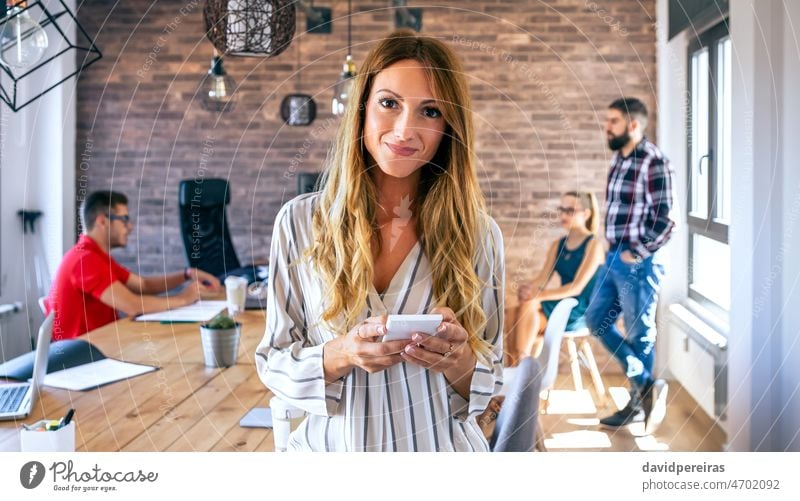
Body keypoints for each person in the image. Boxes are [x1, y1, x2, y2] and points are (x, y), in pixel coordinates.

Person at [255, 30, 505, 452]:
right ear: (362, 111)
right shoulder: (299, 223)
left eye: (430, 111)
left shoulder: (478, 234)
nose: (405, 129)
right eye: (389, 103)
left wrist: (458, 360)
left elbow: (492, 379)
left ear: (449, 126)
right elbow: (273, 362)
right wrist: (342, 353)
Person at [585, 97, 675, 434]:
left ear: (633, 125)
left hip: (638, 261)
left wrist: (635, 252)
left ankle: (637, 404)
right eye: (607, 120)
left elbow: (668, 220)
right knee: (595, 319)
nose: (606, 127)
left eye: (613, 121)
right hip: (614, 257)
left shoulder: (654, 162)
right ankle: (646, 384)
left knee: (640, 333)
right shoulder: (619, 160)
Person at [45, 191, 220, 340]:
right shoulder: (84, 260)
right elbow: (132, 306)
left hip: (99, 347)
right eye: (124, 219)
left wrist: (187, 274)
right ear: (102, 221)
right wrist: (183, 299)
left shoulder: (97, 257)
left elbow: (143, 286)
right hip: (79, 359)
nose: (129, 226)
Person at [505, 191, 604, 366]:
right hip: (559, 302)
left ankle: (520, 369)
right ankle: (515, 367)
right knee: (514, 308)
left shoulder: (593, 245)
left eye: (570, 210)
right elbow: (542, 279)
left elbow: (577, 288)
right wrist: (528, 289)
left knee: (529, 305)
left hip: (578, 308)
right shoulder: (557, 244)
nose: (563, 215)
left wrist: (538, 295)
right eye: (561, 209)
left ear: (586, 214)